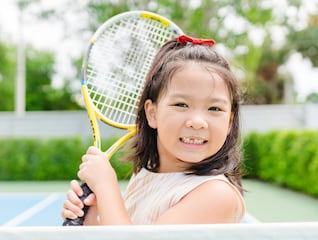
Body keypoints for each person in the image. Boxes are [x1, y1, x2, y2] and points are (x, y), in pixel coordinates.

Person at [61, 34, 246, 228]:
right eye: (181, 104)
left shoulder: (216, 194)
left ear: (229, 121)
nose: (198, 122)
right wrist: (91, 221)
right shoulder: (144, 176)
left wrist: (106, 187)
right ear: (152, 113)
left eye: (214, 109)